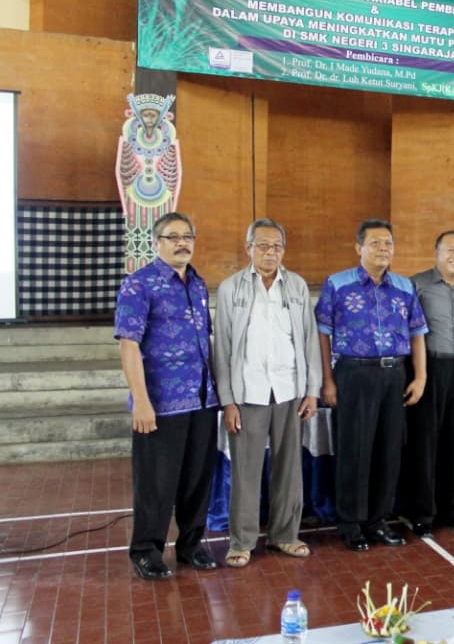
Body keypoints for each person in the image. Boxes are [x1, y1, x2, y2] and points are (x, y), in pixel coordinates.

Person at [114, 211, 219, 579]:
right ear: (157, 243)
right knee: (156, 482)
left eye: (187, 236)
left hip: (203, 400)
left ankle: (190, 545)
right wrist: (140, 401)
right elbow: (129, 344)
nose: (182, 243)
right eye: (173, 237)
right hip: (160, 403)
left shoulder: (198, 283)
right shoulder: (138, 285)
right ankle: (146, 550)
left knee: (196, 479)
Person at [213, 218, 321, 568]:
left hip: (290, 389)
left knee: (290, 468)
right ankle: (241, 541)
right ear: (248, 248)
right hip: (249, 394)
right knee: (245, 470)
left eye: (276, 246)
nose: (270, 252)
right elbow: (223, 349)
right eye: (262, 245)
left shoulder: (297, 287)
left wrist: (312, 390)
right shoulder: (232, 289)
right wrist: (228, 400)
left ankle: (284, 536)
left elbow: (308, 340)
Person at [315, 219, 428, 552]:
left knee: (388, 450)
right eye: (376, 243)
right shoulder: (337, 284)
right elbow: (323, 333)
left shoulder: (405, 288)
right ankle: (351, 523)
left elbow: (417, 333)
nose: (383, 249)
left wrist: (420, 377)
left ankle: (379, 520)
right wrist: (328, 380)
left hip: (395, 375)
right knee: (354, 449)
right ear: (359, 247)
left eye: (388, 243)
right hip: (353, 374)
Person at [404, 230, 454, 537]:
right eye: (450, 249)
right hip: (429, 369)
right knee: (426, 442)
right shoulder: (417, 285)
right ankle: (423, 512)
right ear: (435, 253)